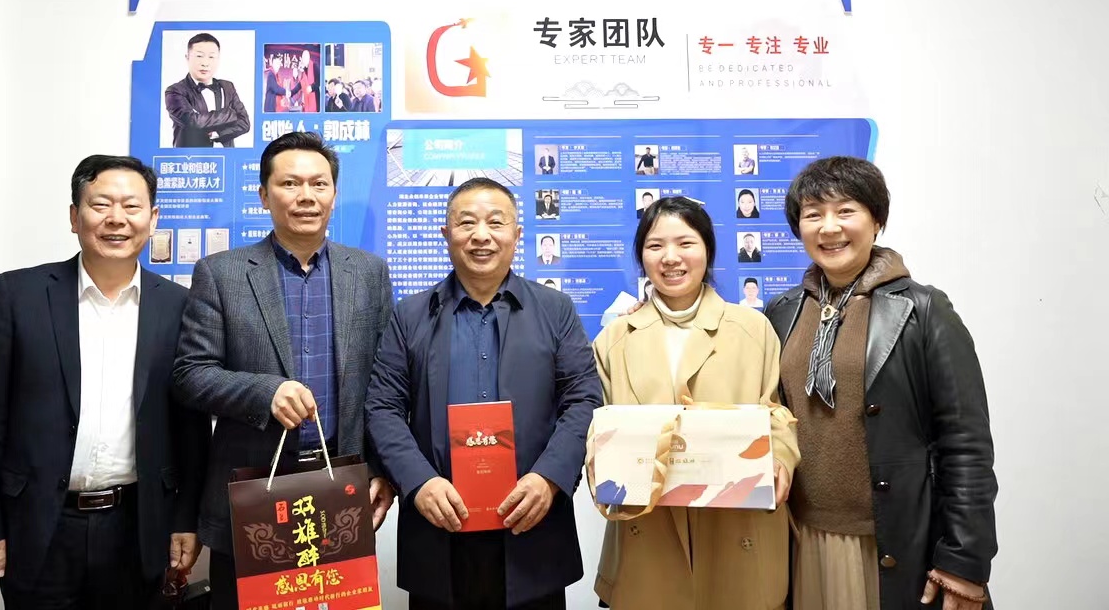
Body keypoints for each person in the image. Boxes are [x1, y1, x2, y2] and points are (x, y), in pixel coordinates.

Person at [0, 155, 211, 609]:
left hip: (138, 527)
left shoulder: (180, 306)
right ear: (75, 216)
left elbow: (190, 428)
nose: (116, 218)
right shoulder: (17, 295)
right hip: (40, 526)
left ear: (152, 219)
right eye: (101, 205)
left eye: (131, 206)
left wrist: (186, 519)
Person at [171, 131, 396, 610]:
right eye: (290, 183)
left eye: (318, 183)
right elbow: (191, 374)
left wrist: (382, 469)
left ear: (334, 194)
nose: (306, 196)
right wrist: (264, 392)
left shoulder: (369, 273)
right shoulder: (221, 273)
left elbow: (383, 385)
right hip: (254, 495)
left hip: (339, 488)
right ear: (263, 194)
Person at [764, 156, 998, 610]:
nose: (829, 227)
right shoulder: (783, 311)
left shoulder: (922, 310)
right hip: (802, 538)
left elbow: (965, 443)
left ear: (877, 221)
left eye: (845, 211)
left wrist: (964, 559)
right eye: (813, 214)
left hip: (891, 543)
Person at [366, 177, 604, 610]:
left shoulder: (555, 310)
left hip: (532, 524)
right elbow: (383, 407)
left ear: (517, 233)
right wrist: (419, 482)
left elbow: (584, 398)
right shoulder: (410, 316)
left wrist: (549, 478)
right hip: (439, 524)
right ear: (446, 234)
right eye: (466, 223)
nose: (481, 235)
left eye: (496, 222)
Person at [588, 197, 798, 609]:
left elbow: (777, 409)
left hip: (736, 524)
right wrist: (599, 456)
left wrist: (782, 457)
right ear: (641, 257)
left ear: (708, 250)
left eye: (685, 243)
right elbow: (598, 419)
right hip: (648, 525)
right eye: (655, 246)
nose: (671, 258)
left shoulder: (752, 327)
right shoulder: (614, 338)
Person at [165, 32, 251, 148]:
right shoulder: (175, 91)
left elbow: (244, 123)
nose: (205, 63)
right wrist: (230, 114)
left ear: (218, 59)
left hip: (226, 157)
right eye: (199, 56)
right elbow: (193, 122)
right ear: (187, 58)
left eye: (211, 57)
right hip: (191, 158)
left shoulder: (227, 87)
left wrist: (217, 134)